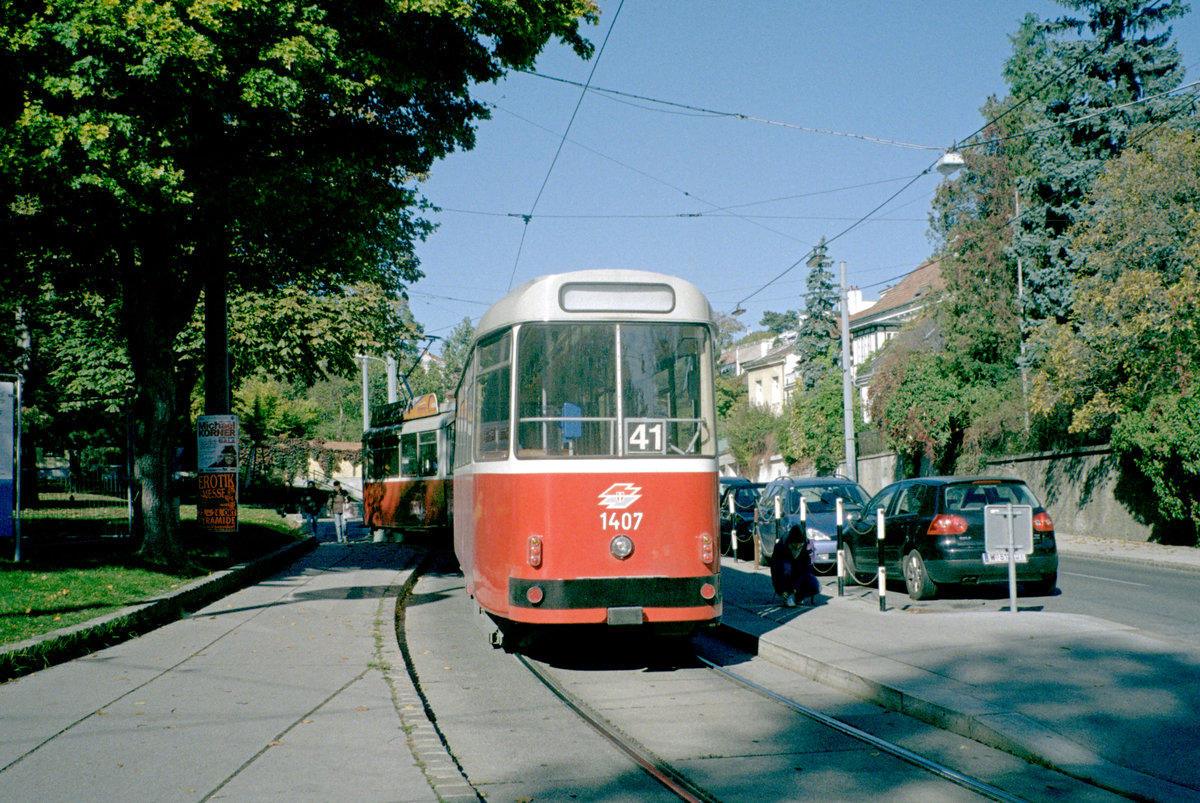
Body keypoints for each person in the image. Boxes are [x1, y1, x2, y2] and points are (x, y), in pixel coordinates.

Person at [769, 525, 820, 607]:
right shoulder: (780, 546)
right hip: (785, 574)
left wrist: (796, 587)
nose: (797, 549)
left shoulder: (809, 547)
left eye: (800, 546)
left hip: (799, 574)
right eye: (794, 546)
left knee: (815, 586)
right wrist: (780, 589)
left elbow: (807, 570)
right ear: (789, 542)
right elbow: (774, 569)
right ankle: (787, 596)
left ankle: (799, 597)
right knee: (787, 567)